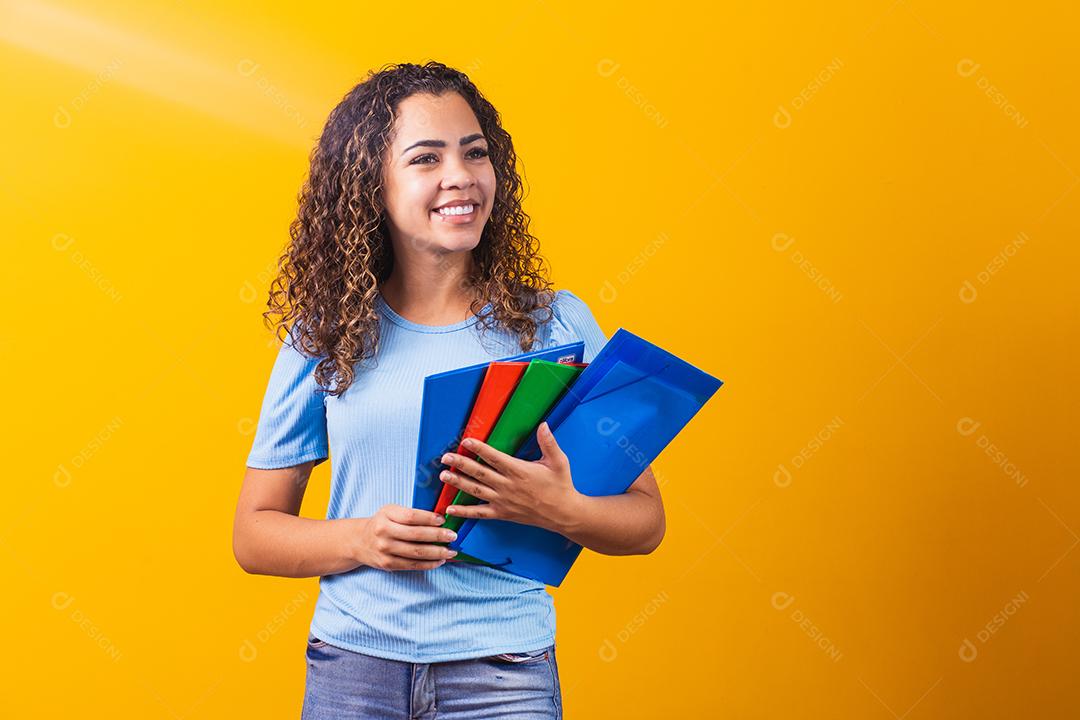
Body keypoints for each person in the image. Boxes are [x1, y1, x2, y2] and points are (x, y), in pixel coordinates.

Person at [232, 61, 666, 719]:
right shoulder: (325, 334)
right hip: (354, 674)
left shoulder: (556, 325)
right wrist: (360, 539)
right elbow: (254, 534)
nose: (460, 175)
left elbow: (645, 522)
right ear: (372, 186)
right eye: (426, 158)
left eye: (475, 153)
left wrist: (559, 507)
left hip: (505, 677)